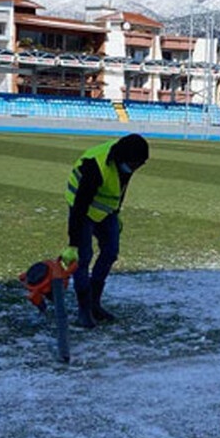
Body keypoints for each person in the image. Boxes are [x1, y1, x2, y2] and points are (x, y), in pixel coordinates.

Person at [60, 133, 149, 328]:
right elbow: (79, 208)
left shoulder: (127, 161)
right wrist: (73, 244)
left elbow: (120, 189)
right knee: (83, 257)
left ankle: (94, 304)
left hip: (105, 211)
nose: (135, 169)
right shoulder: (94, 167)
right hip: (81, 208)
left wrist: (115, 213)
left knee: (110, 252)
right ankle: (83, 310)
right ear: (123, 158)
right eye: (135, 165)